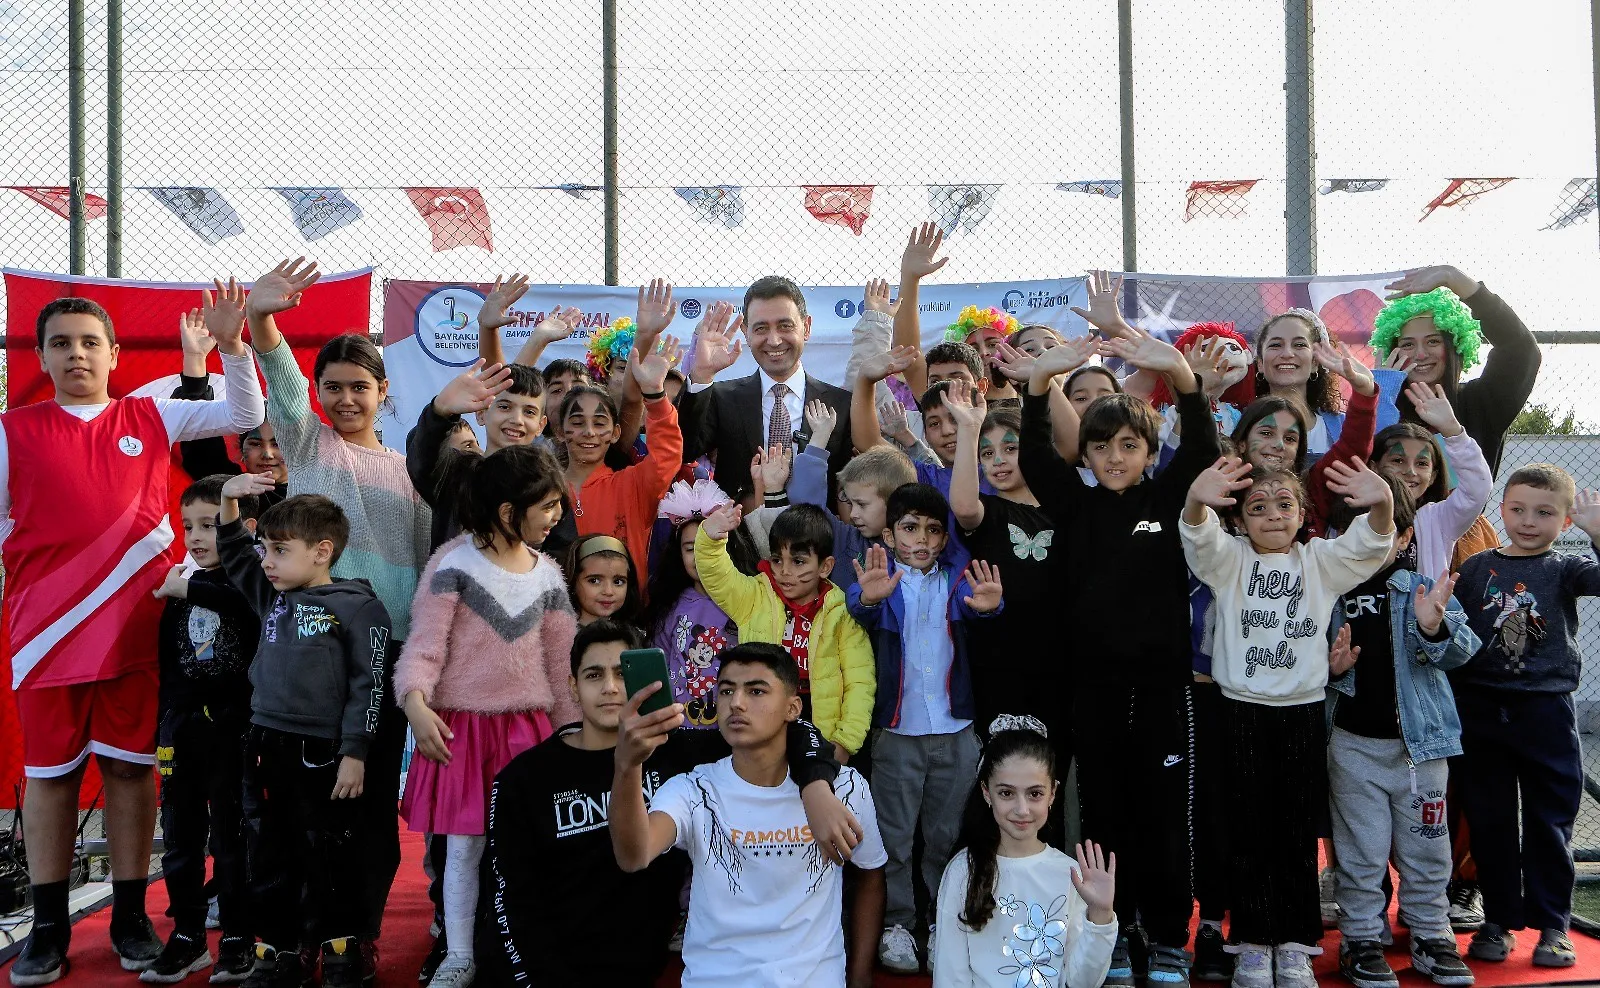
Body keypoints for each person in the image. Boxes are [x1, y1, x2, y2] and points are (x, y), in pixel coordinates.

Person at [4, 289, 264, 985]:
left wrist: (233, 347)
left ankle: (128, 916)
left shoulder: (150, 413)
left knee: (129, 769)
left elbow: (246, 414)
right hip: (46, 636)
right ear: (41, 356)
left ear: (115, 354)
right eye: (61, 343)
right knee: (51, 778)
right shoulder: (10, 431)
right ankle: (49, 925)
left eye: (90, 342)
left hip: (136, 628)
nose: (76, 354)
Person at [1014, 319, 1219, 987]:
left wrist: (1182, 379)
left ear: (1149, 451)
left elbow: (1202, 444)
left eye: (1129, 446)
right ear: (1088, 455)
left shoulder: (1168, 495)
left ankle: (1166, 937)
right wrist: (1046, 378)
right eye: (1101, 446)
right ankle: (1114, 930)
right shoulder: (1074, 504)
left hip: (1162, 691)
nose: (1114, 457)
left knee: (1163, 816)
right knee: (1101, 815)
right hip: (1093, 693)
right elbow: (1036, 449)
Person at [483, 621, 855, 985]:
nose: (611, 688)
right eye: (594, 675)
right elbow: (508, 904)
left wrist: (815, 787)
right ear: (573, 688)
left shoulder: (676, 751)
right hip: (551, 970)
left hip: (649, 966)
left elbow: (792, 730)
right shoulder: (524, 779)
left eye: (622, 673)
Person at [245, 259, 429, 970]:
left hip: (382, 661)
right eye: (334, 388)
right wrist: (265, 319)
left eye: (360, 386)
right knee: (295, 812)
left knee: (368, 808)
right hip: (305, 663)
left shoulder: (413, 470)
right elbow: (282, 384)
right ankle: (288, 939)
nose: (346, 398)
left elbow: (424, 560)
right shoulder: (308, 443)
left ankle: (355, 934)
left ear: (384, 392)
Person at [1180, 456, 1395, 988]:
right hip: (1241, 713)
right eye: (1257, 508)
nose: (1272, 516)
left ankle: (1295, 945)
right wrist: (1194, 500)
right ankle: (1252, 942)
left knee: (1296, 834)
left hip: (1300, 714)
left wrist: (1384, 503)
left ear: (1303, 515)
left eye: (1284, 505)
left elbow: (1369, 545)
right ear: (1240, 520)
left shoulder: (1319, 563)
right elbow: (1199, 537)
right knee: (1249, 831)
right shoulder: (1229, 562)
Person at [393, 445, 578, 988]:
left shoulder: (548, 576)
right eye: (546, 506)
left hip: (530, 730)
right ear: (506, 511)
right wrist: (416, 705)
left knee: (533, 842)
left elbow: (561, 662)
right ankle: (459, 953)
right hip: (462, 729)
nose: (556, 517)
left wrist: (571, 732)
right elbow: (424, 646)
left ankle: (530, 940)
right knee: (463, 849)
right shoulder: (452, 564)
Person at [610, 642, 888, 988]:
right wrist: (627, 764)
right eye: (726, 690)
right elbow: (633, 856)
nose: (736, 703)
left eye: (756, 690)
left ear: (792, 707)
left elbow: (871, 876)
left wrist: (860, 976)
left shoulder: (845, 789)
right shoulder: (694, 789)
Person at [213, 475, 392, 988]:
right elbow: (236, 555)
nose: (265, 560)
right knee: (268, 848)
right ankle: (279, 948)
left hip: (327, 753)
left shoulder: (358, 608)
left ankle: (341, 946)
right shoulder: (272, 597)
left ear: (322, 552)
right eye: (264, 548)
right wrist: (229, 497)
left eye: (279, 550)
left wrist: (356, 751)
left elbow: (371, 685)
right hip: (265, 744)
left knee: (334, 850)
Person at [1322, 475, 1481, 988]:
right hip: (1352, 747)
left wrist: (1435, 627)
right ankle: (1362, 938)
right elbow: (1311, 666)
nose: (1370, 539)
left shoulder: (1425, 586)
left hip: (1421, 749)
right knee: (1361, 850)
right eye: (1356, 529)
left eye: (1383, 528)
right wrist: (1334, 670)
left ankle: (1432, 935)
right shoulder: (1332, 589)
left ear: (1406, 536)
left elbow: (1463, 653)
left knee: (1427, 847)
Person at [847, 484, 1003, 974]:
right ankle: (897, 922)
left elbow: (984, 614)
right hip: (897, 732)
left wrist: (990, 608)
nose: (922, 539)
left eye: (934, 530)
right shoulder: (878, 579)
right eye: (910, 528)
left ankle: (941, 921)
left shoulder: (959, 578)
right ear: (889, 535)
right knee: (895, 835)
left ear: (945, 538)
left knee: (945, 834)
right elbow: (858, 605)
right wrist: (870, 601)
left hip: (955, 729)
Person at [1451, 465, 1600, 968]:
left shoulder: (1566, 568)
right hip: (1482, 709)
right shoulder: (1476, 569)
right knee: (1490, 821)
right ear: (1502, 509)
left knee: (1549, 822)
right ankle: (1498, 918)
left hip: (1545, 711)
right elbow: (1454, 631)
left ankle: (1553, 925)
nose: (1529, 521)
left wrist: (1598, 532)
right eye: (1518, 509)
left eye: (1545, 512)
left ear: (1564, 520)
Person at [136, 477, 265, 985]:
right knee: (181, 837)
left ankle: (237, 933)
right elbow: (169, 665)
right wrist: (165, 727)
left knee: (231, 837)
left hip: (234, 733)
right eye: (187, 525)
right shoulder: (180, 585)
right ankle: (188, 934)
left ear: (241, 527)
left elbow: (244, 610)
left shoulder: (253, 581)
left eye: (209, 526)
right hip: (182, 732)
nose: (194, 537)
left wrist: (186, 586)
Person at [932, 716, 1119, 988]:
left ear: (1053, 793)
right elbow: (950, 976)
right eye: (1007, 793)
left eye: (1034, 794)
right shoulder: (963, 870)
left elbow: (1083, 981)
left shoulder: (1072, 874)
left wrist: (1101, 915)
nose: (1022, 810)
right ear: (986, 792)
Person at [694, 501, 876, 763]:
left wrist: (845, 741)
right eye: (777, 560)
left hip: (819, 727)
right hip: (761, 722)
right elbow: (717, 576)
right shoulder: (754, 596)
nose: (785, 571)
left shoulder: (842, 611)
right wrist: (710, 539)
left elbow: (860, 682)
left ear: (825, 566)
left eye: (799, 561)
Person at [945, 397, 1073, 762]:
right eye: (986, 454)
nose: (998, 459)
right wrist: (969, 428)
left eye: (1010, 448)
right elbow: (966, 508)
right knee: (1002, 767)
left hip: (1056, 667)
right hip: (998, 664)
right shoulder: (990, 513)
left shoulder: (1064, 512)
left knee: (1049, 771)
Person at [679, 281, 854, 501]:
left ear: (806, 327)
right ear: (746, 332)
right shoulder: (722, 398)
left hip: (820, 532)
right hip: (741, 531)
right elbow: (684, 452)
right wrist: (701, 375)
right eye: (761, 328)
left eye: (785, 326)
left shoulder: (841, 404)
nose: (774, 340)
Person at [1368, 265, 1539, 477]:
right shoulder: (1380, 405)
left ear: (1454, 346)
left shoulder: (1480, 403)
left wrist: (1454, 278)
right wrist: (1378, 399)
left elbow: (1520, 348)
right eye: (1408, 345)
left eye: (1433, 341)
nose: (1420, 355)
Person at [556, 332, 684, 581]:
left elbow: (666, 456)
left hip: (625, 616)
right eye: (577, 421)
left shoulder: (632, 485)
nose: (589, 432)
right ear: (560, 431)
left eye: (599, 422)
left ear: (615, 433)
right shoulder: (544, 489)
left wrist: (656, 396)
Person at [642, 480, 751, 741]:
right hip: (680, 732)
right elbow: (660, 665)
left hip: (733, 731)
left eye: (708, 544)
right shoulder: (669, 606)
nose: (699, 556)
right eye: (691, 548)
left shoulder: (745, 598)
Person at [784, 400, 919, 586]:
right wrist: (820, 437)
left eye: (862, 504)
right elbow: (805, 503)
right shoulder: (846, 539)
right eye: (850, 503)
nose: (853, 514)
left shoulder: (925, 546)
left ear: (897, 502)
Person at [566, 534, 644, 627]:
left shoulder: (637, 636)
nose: (608, 591)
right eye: (594, 581)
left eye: (618, 582)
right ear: (574, 582)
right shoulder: (558, 636)